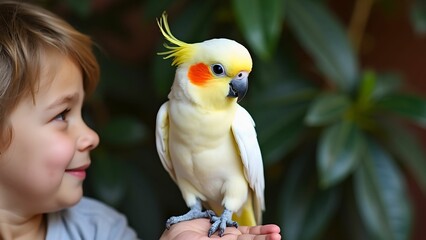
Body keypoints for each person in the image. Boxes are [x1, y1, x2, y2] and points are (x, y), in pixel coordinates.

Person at [0, 1, 281, 240]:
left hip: (236, 203)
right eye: (62, 115)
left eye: (82, 112)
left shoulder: (106, 230)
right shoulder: (167, 118)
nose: (93, 136)